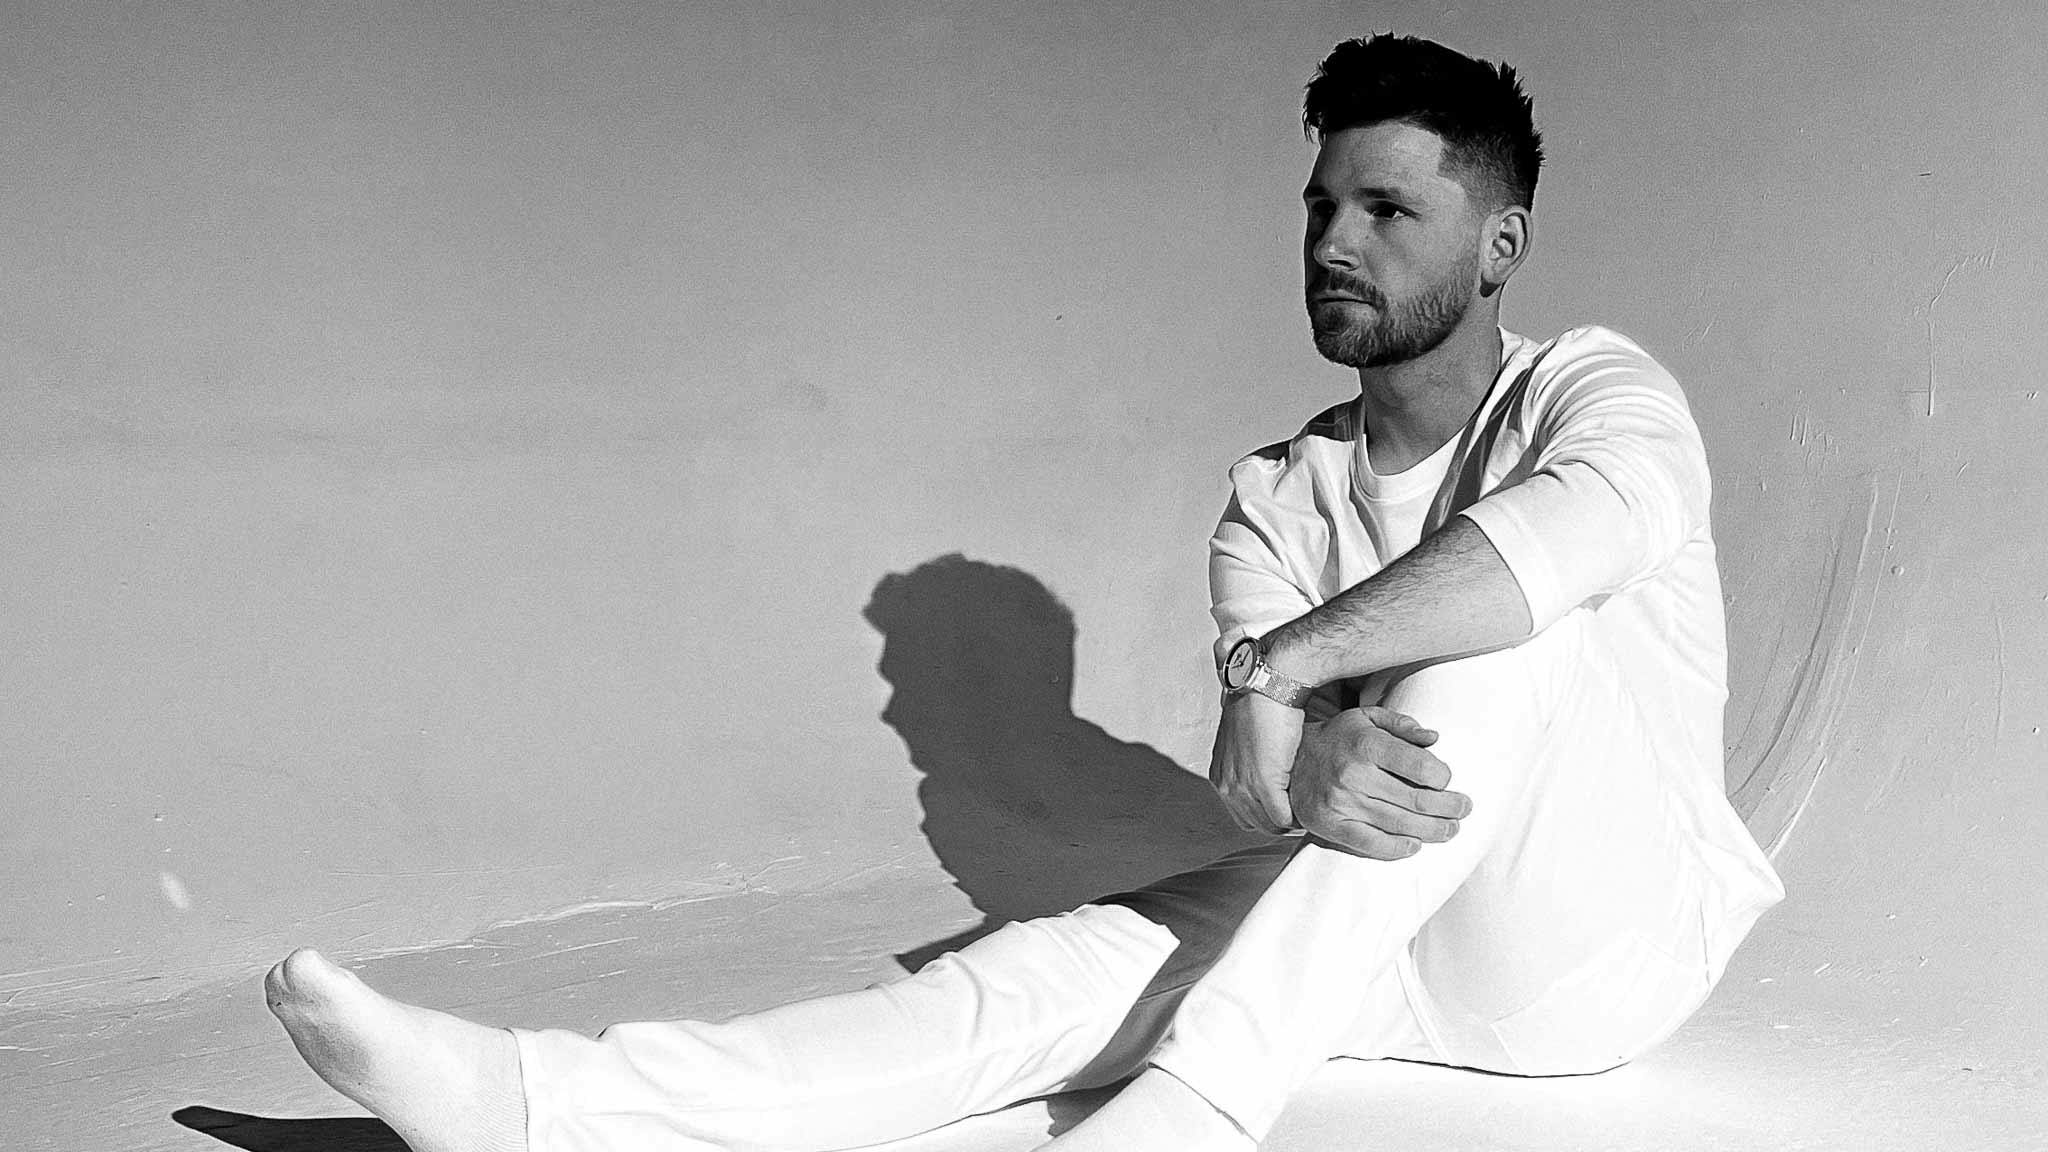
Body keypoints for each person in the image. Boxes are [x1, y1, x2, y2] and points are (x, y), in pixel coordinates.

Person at [263, 33, 1784, 1152]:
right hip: (1384, 938)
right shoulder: (1275, 492)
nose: (1334, 242)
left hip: (1591, 953)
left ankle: (1197, 1109)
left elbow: (1580, 531)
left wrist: (1290, 670)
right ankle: (532, 1102)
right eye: (1320, 207)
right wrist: (1285, 734)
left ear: (1502, 240)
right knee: (1017, 978)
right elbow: (1256, 794)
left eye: (1389, 211)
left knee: (1506, 615)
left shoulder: (1595, 391)